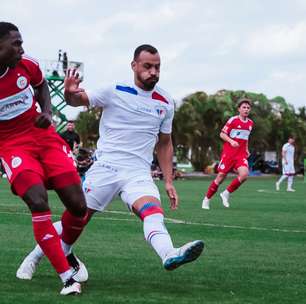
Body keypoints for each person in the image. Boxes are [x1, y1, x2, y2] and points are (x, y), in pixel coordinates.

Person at [17, 44, 204, 278]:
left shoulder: (165, 101)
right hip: (105, 169)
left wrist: (168, 181)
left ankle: (169, 254)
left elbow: (165, 143)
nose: (153, 72)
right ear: (134, 66)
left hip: (138, 173)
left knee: (152, 212)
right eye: (147, 66)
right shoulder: (114, 90)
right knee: (76, 219)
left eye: (157, 67)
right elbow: (76, 100)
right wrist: (69, 91)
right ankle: (34, 258)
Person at [0, 22, 88, 295]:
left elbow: (42, 88)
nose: (21, 49)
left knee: (78, 206)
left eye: (21, 42)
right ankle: (67, 279)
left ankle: (66, 253)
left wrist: (48, 114)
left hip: (44, 137)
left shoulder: (28, 65)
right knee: (37, 200)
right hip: (11, 145)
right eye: (15, 44)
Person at [202, 98, 254, 209]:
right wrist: (231, 141)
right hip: (229, 154)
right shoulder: (233, 120)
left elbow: (246, 138)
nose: (246, 109)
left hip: (241, 155)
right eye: (244, 107)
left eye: (248, 108)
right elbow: (222, 134)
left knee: (244, 175)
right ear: (239, 109)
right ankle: (206, 199)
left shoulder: (250, 123)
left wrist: (247, 149)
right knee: (220, 177)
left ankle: (226, 193)